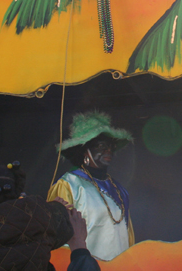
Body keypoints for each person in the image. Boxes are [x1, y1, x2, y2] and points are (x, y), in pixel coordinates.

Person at [47, 109, 134, 261]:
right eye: (101, 146)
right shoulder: (69, 185)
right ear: (85, 151)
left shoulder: (120, 190)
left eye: (111, 146)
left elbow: (128, 237)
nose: (108, 150)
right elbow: (57, 238)